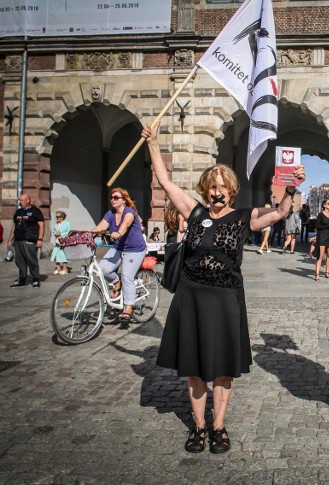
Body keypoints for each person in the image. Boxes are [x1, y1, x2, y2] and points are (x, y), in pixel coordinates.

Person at [142, 123, 305, 454]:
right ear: (205, 190)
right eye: (212, 187)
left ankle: (219, 427)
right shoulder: (195, 211)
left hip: (226, 299)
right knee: (195, 368)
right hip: (192, 297)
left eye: (223, 188)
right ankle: (199, 427)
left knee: (222, 370)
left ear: (232, 191)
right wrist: (154, 144)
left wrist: (290, 188)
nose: (217, 193)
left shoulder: (244, 218)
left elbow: (279, 213)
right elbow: (166, 182)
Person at [90, 187, 147, 321]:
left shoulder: (130, 212)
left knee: (127, 276)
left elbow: (125, 224)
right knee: (103, 269)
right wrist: (89, 233)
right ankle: (117, 282)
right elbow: (100, 227)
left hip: (135, 249)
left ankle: (128, 307)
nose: (113, 200)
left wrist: (119, 233)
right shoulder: (110, 214)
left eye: (116, 197)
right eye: (111, 197)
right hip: (118, 247)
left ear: (124, 201)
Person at [8, 193, 45, 288]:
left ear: (28, 200)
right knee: (19, 261)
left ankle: (35, 279)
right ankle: (22, 279)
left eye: (21, 200)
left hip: (30, 239)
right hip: (18, 240)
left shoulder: (35, 211)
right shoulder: (18, 212)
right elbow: (14, 226)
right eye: (19, 200)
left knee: (31, 260)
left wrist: (40, 239)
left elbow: (41, 225)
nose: (20, 202)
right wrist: (10, 240)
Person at [314, 199, 329, 280]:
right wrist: (328, 226)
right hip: (322, 237)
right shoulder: (320, 215)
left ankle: (327, 272)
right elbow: (317, 226)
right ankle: (317, 274)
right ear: (324, 205)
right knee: (320, 256)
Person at [51, 211, 72, 275]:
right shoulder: (56, 224)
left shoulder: (67, 224)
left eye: (58, 217)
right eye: (56, 217)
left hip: (64, 241)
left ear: (62, 217)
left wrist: (61, 234)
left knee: (64, 255)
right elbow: (54, 231)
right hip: (57, 241)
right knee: (56, 254)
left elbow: (69, 232)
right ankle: (58, 268)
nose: (56, 218)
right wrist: (55, 233)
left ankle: (65, 269)